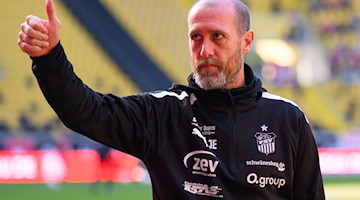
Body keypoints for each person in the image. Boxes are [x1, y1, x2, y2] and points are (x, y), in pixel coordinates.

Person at [18, 0, 325, 199]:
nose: (204, 50)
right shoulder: (163, 113)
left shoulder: (288, 118)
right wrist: (48, 58)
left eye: (217, 36)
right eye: (196, 37)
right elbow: (84, 112)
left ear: (246, 42)